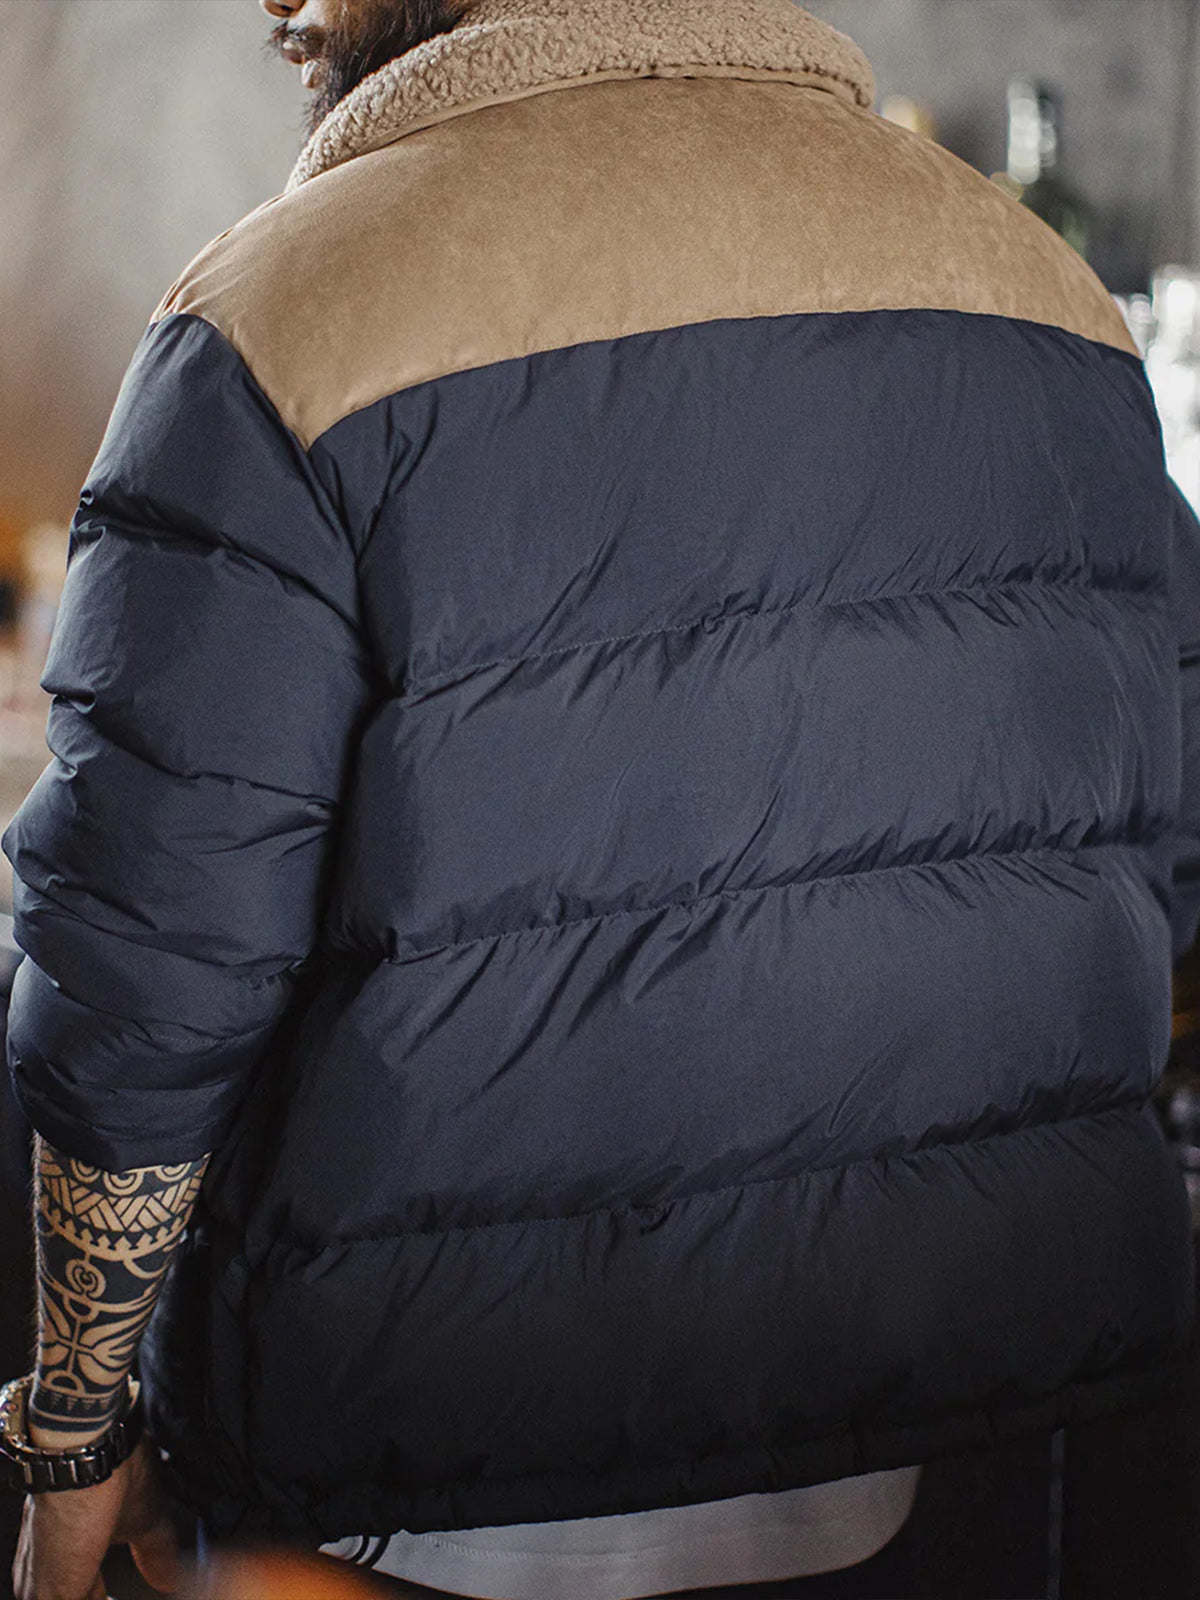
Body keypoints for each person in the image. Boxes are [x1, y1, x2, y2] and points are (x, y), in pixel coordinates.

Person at [2, 1, 1199, 1597]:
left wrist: (72, 1445)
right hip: (894, 1465)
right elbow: (1156, 842)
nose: (273, 4)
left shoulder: (287, 313)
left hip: (401, 1489)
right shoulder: (1045, 297)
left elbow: (147, 981)